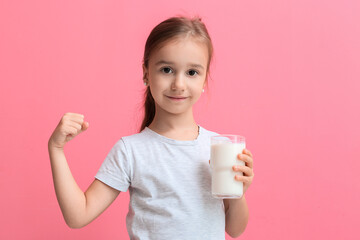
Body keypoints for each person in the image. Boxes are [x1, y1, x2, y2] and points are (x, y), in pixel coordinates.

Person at [48, 16, 254, 239]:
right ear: (146, 73)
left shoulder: (218, 148)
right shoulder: (131, 151)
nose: (179, 84)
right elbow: (78, 215)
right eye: (166, 70)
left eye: (192, 72)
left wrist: (237, 195)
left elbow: (235, 230)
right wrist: (56, 149)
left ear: (205, 80)